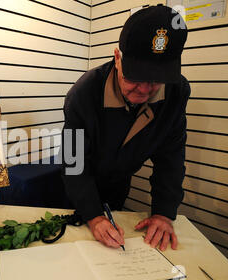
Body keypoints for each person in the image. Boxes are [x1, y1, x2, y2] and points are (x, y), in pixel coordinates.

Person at [61, 5, 189, 251]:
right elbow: (73, 162)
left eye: (155, 80)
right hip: (79, 184)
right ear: (118, 58)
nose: (143, 90)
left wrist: (163, 213)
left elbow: (171, 159)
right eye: (135, 77)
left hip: (119, 185)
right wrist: (93, 215)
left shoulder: (177, 93)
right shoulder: (82, 94)